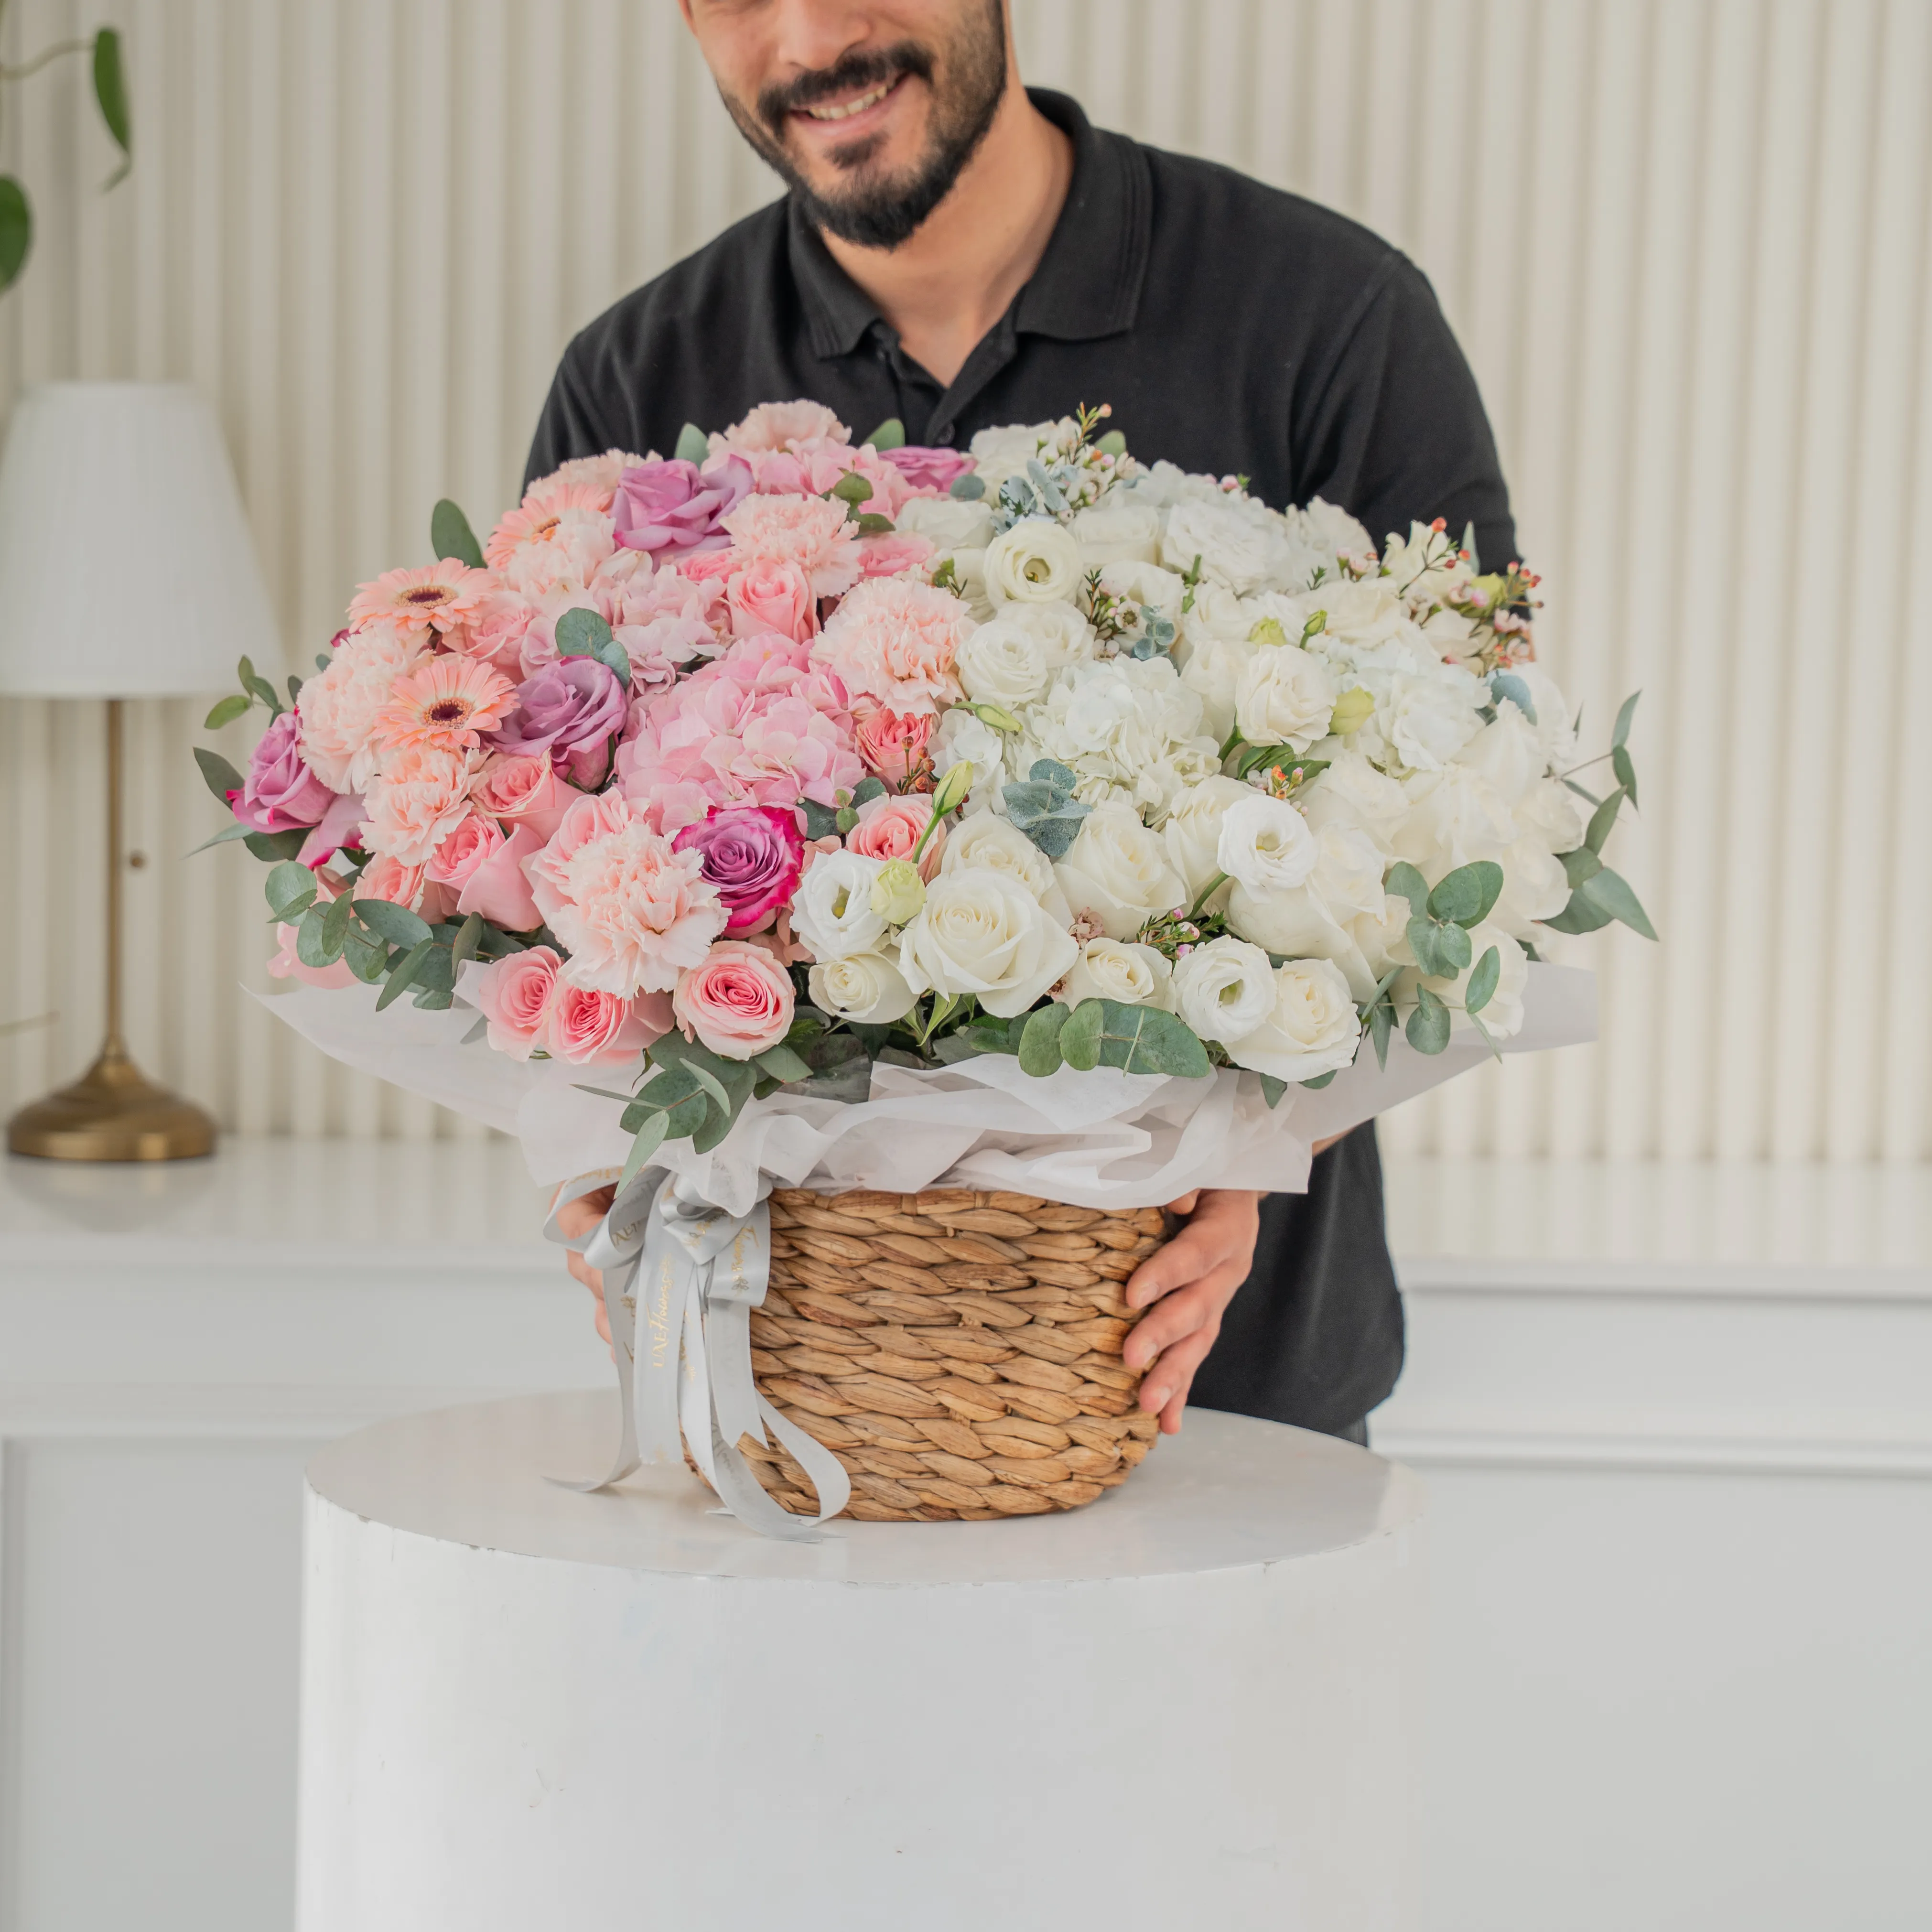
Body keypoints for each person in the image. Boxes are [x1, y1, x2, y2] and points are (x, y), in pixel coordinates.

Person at [540, 0, 1518, 1447]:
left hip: (1227, 1393)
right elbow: (548, 863)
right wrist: (594, 1156)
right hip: (787, 1409)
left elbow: (1472, 806)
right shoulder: (636, 386)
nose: (808, 38)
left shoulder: (1330, 319)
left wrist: (1257, 1144)